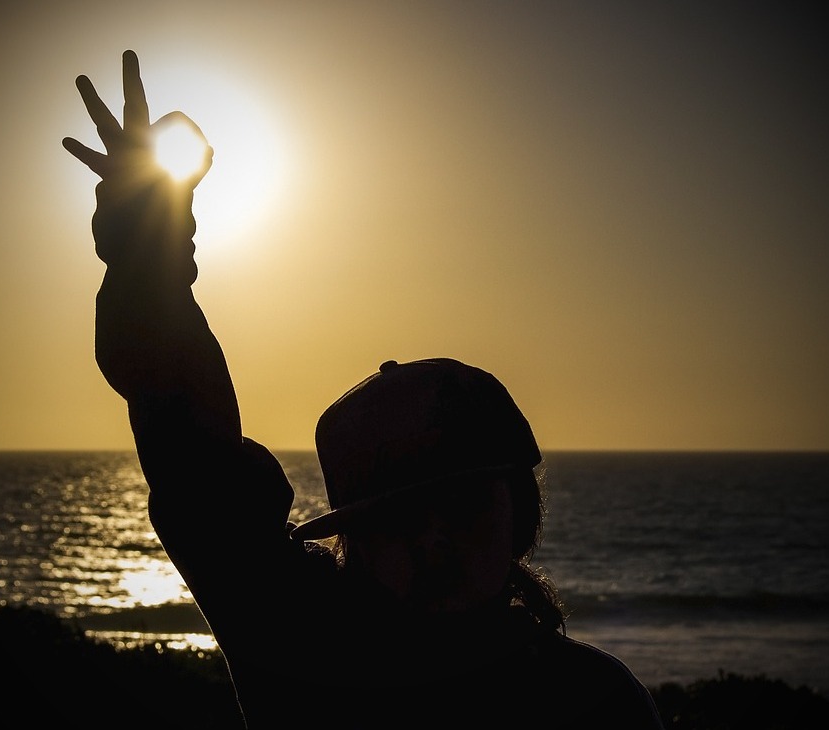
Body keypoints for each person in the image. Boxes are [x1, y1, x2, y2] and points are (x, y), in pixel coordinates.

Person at [64, 50, 665, 729]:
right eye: (398, 518)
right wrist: (148, 251)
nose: (434, 542)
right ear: (352, 541)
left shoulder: (595, 702)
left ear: (520, 516)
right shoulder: (298, 637)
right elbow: (187, 440)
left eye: (464, 505)